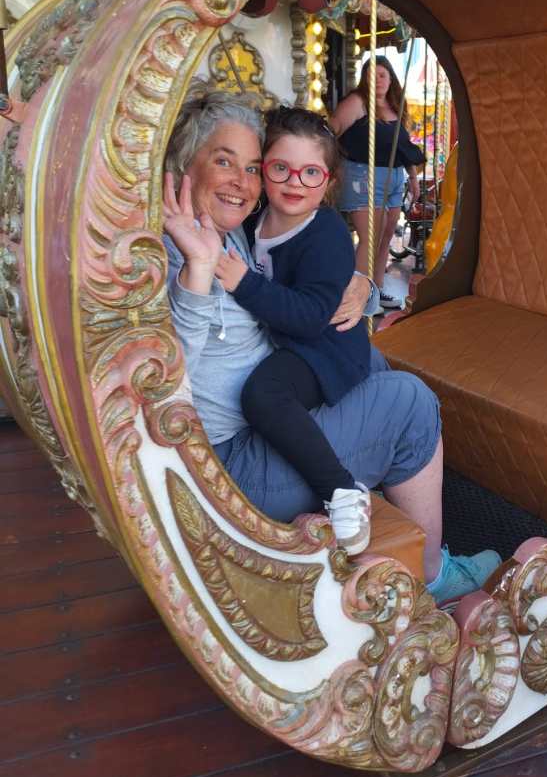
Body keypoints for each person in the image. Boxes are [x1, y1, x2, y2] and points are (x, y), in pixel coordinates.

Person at [162, 82, 501, 604]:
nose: (243, 183)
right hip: (231, 466)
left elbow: (306, 286)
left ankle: (388, 511)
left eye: (251, 167)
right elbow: (167, 374)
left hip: (264, 417)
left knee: (371, 361)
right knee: (411, 401)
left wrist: (361, 286)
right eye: (224, 162)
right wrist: (200, 269)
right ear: (185, 165)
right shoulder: (178, 252)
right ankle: (432, 575)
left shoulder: (232, 228)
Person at [212, 105, 373, 555]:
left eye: (310, 173)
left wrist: (244, 283)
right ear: (263, 169)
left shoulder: (327, 234)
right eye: (280, 168)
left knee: (263, 394)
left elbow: (310, 317)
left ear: (329, 181)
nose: (294, 183)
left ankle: (341, 489)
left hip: (325, 349)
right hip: (288, 342)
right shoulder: (254, 218)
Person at [331, 57, 424, 310]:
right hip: (364, 175)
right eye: (371, 75)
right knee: (370, 237)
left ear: (391, 78)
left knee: (385, 236)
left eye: (382, 75)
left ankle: (375, 290)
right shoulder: (358, 103)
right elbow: (332, 130)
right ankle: (356, 298)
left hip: (394, 177)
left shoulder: (395, 107)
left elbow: (402, 147)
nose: (378, 80)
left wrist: (412, 177)